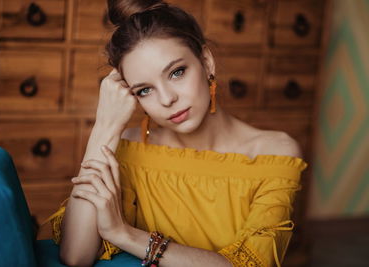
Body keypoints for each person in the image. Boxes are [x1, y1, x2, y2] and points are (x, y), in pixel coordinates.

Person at [47, 0, 308, 266]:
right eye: (144, 90)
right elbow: (75, 255)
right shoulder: (131, 147)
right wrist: (105, 126)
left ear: (206, 62)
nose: (167, 99)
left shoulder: (273, 153)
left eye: (177, 72)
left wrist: (124, 235)